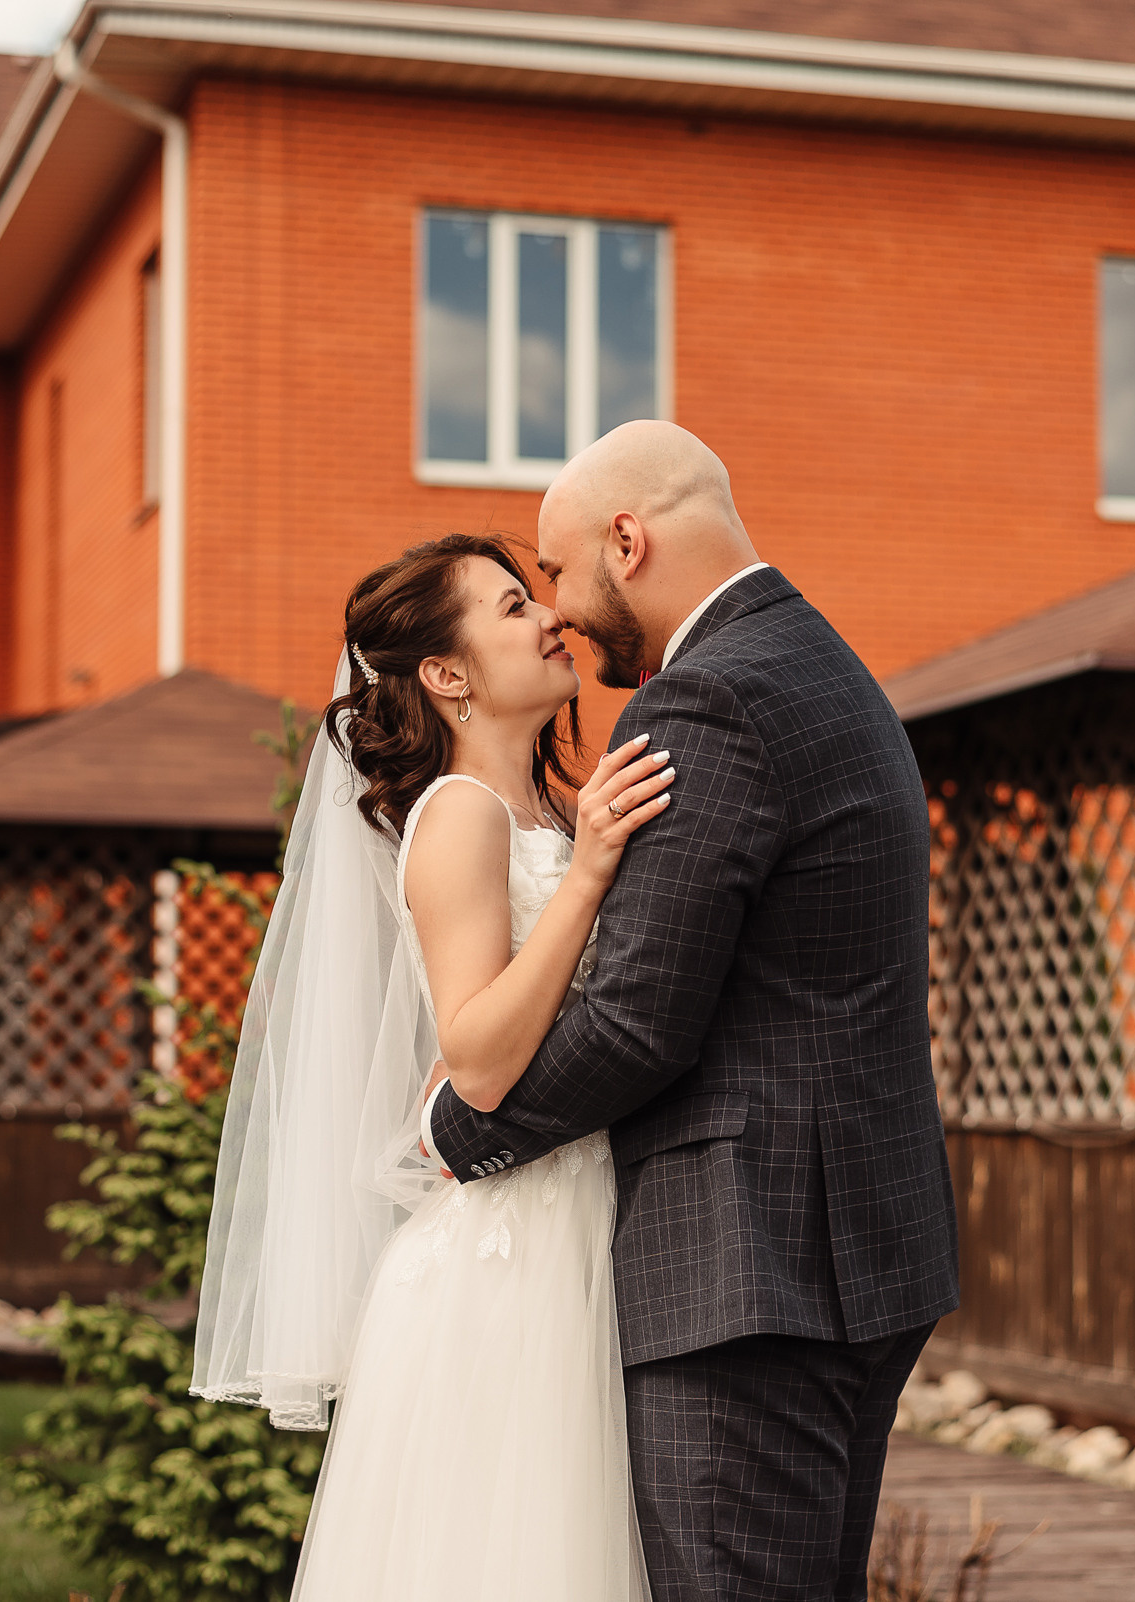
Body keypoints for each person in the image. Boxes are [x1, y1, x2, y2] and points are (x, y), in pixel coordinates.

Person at [421, 421, 961, 1602]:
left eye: (558, 573)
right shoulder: (822, 664)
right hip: (854, 1248)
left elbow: (635, 1021)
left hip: (744, 1270)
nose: (559, 613)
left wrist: (456, 1132)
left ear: (628, 542)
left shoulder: (704, 700)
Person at [192, 531, 671, 1599]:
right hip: (513, 1251)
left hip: (576, 1212)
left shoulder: (552, 810)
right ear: (448, 677)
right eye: (513, 608)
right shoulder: (460, 816)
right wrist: (590, 875)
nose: (550, 617)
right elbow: (480, 1059)